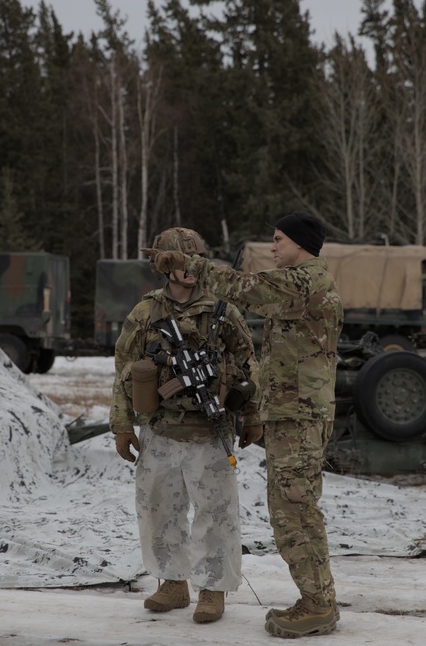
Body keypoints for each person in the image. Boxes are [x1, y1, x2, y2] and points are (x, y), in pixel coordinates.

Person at [143, 211, 343, 638]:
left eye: (278, 239)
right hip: (294, 415)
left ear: (300, 242)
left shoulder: (303, 282)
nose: (273, 247)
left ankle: (318, 605)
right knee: (295, 511)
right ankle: (316, 599)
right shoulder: (302, 282)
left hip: (300, 417)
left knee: (295, 513)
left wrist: (188, 263)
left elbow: (241, 288)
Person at [110, 227, 262, 625]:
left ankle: (212, 589)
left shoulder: (223, 312)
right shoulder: (146, 313)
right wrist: (121, 425)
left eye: (193, 261)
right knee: (159, 509)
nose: (188, 270)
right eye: (177, 262)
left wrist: (254, 415)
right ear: (163, 265)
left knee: (216, 512)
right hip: (160, 430)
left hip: (210, 433)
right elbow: (122, 368)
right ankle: (172, 582)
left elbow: (248, 364)